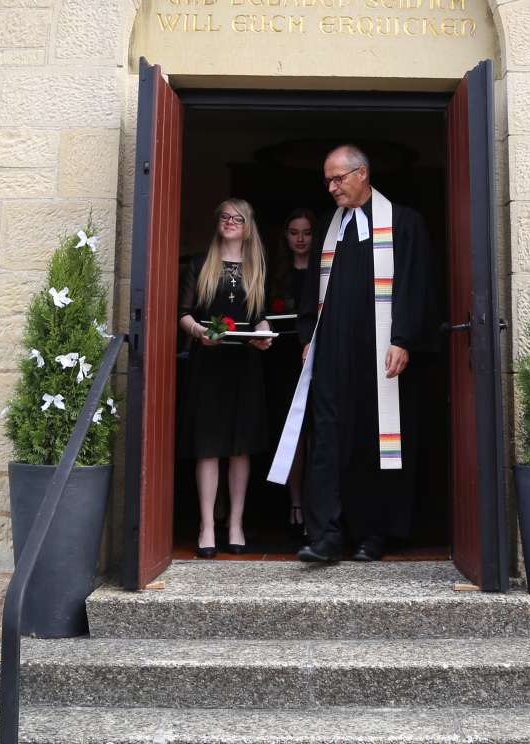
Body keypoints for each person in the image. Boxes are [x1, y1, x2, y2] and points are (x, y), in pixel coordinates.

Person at [268, 145, 434, 564]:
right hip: (331, 353)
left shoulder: (403, 223)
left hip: (381, 355)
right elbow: (312, 293)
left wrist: (403, 339)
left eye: (338, 178)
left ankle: (370, 535)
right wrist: (308, 335)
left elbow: (415, 285)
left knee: (373, 443)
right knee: (326, 441)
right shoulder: (329, 226)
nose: (331, 187)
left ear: (362, 174)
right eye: (328, 180)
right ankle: (324, 536)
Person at [177, 198, 274, 558]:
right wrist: (199, 331)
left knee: (240, 445)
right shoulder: (201, 264)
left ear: (248, 226)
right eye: (224, 217)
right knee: (208, 444)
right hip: (209, 363)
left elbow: (261, 315)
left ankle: (235, 523)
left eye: (238, 218)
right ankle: (206, 526)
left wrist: (264, 333)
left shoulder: (256, 267)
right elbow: (183, 314)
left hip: (244, 364)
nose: (230, 222)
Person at [266, 208, 317, 536]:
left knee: (318, 433)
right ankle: (295, 501)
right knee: (292, 434)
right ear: (285, 237)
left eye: (307, 232)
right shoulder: (274, 275)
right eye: (294, 232)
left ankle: (318, 504)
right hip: (283, 362)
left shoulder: (322, 271)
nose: (300, 238)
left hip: (318, 358)